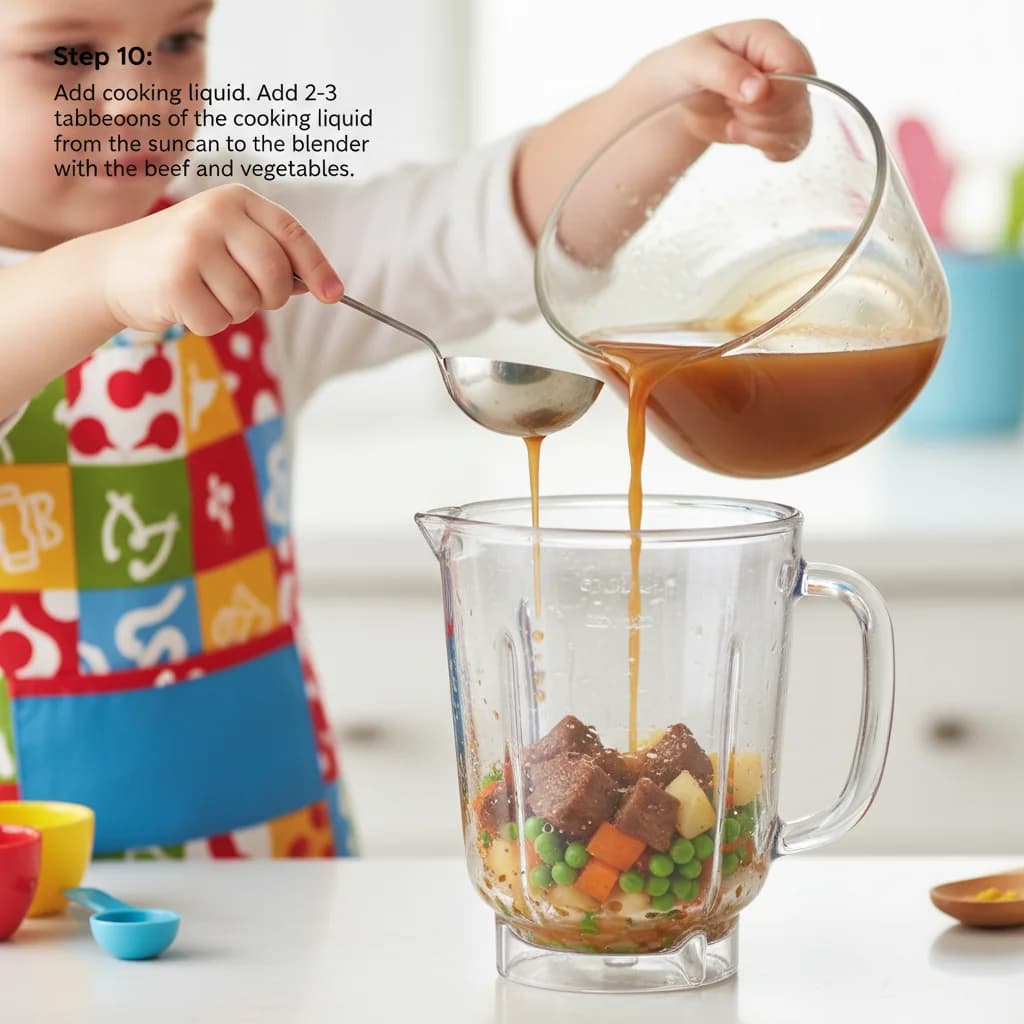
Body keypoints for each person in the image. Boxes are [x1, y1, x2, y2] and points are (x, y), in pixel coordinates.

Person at [0, 2, 815, 858]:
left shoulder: (238, 249)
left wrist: (664, 112)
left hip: (273, 866)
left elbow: (477, 226)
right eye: (68, 53)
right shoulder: (182, 248)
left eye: (177, 40)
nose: (139, 96)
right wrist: (103, 280)